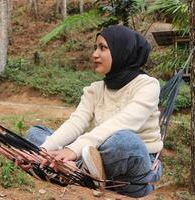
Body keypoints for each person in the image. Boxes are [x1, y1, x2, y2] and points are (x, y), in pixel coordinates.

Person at [25, 25, 162, 198]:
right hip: (96, 157)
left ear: (122, 51)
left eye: (103, 48)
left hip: (134, 168)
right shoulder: (94, 90)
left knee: (125, 139)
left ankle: (72, 168)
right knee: (35, 134)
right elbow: (76, 123)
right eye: (95, 47)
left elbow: (121, 124)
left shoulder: (147, 85)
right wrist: (41, 151)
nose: (95, 54)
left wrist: (72, 151)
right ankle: (70, 166)